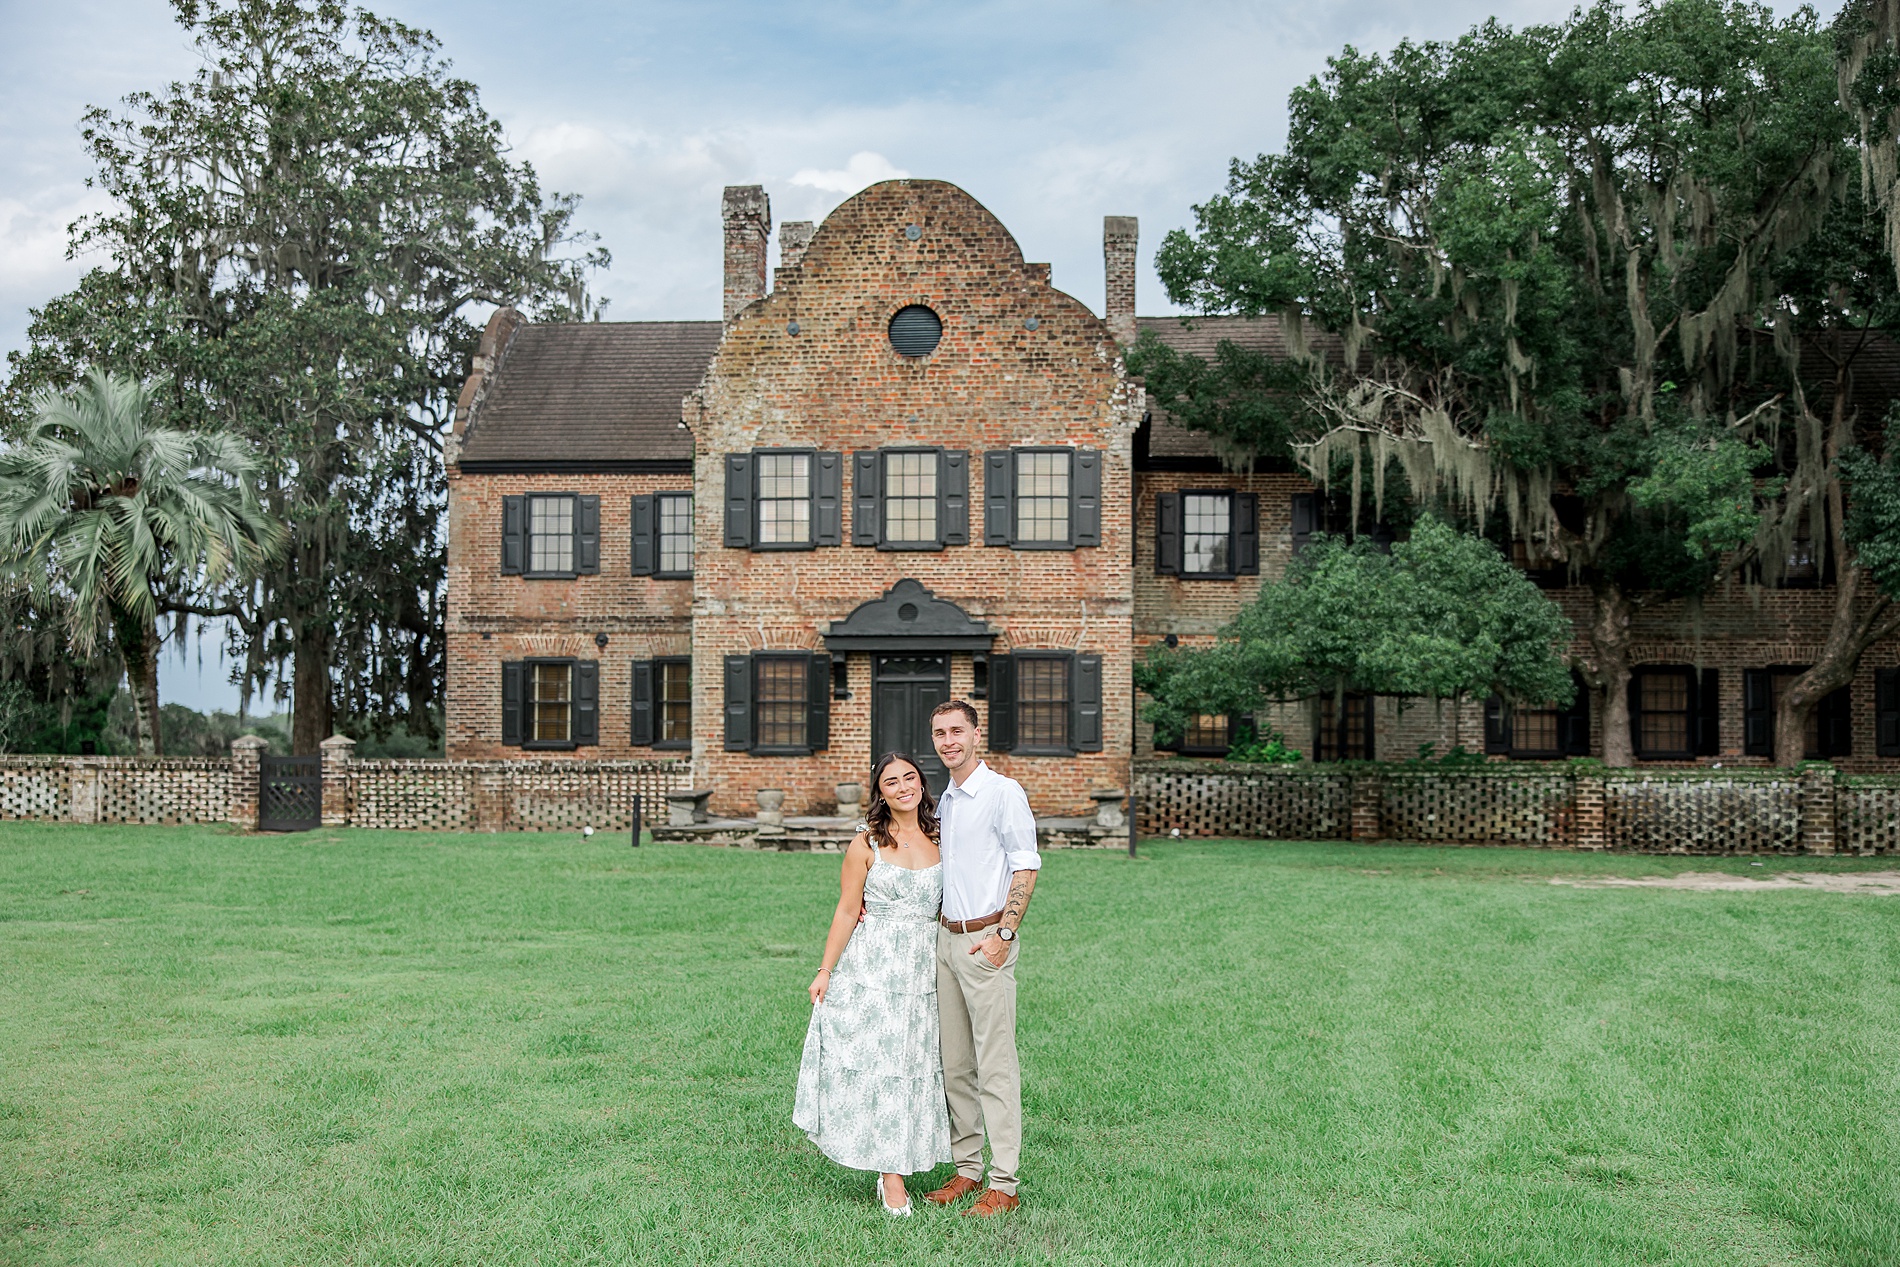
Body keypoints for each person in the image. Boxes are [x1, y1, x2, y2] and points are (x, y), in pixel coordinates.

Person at [794, 752, 951, 1216]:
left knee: (913, 1066)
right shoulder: (867, 844)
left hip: (925, 969)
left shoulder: (944, 836)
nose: (903, 786)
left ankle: (913, 1155)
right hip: (873, 969)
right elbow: (847, 909)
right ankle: (890, 1177)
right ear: (879, 793)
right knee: (880, 1067)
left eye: (909, 777)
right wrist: (824, 971)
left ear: (922, 783)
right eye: (891, 781)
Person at [922, 699, 1039, 1217]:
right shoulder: (945, 800)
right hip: (945, 942)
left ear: (975, 734)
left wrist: (1005, 933)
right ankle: (967, 1169)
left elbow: (1026, 866)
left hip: (987, 940)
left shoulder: (1002, 793)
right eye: (939, 733)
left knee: (995, 1067)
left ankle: (1004, 1184)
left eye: (956, 731)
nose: (948, 741)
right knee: (955, 1066)